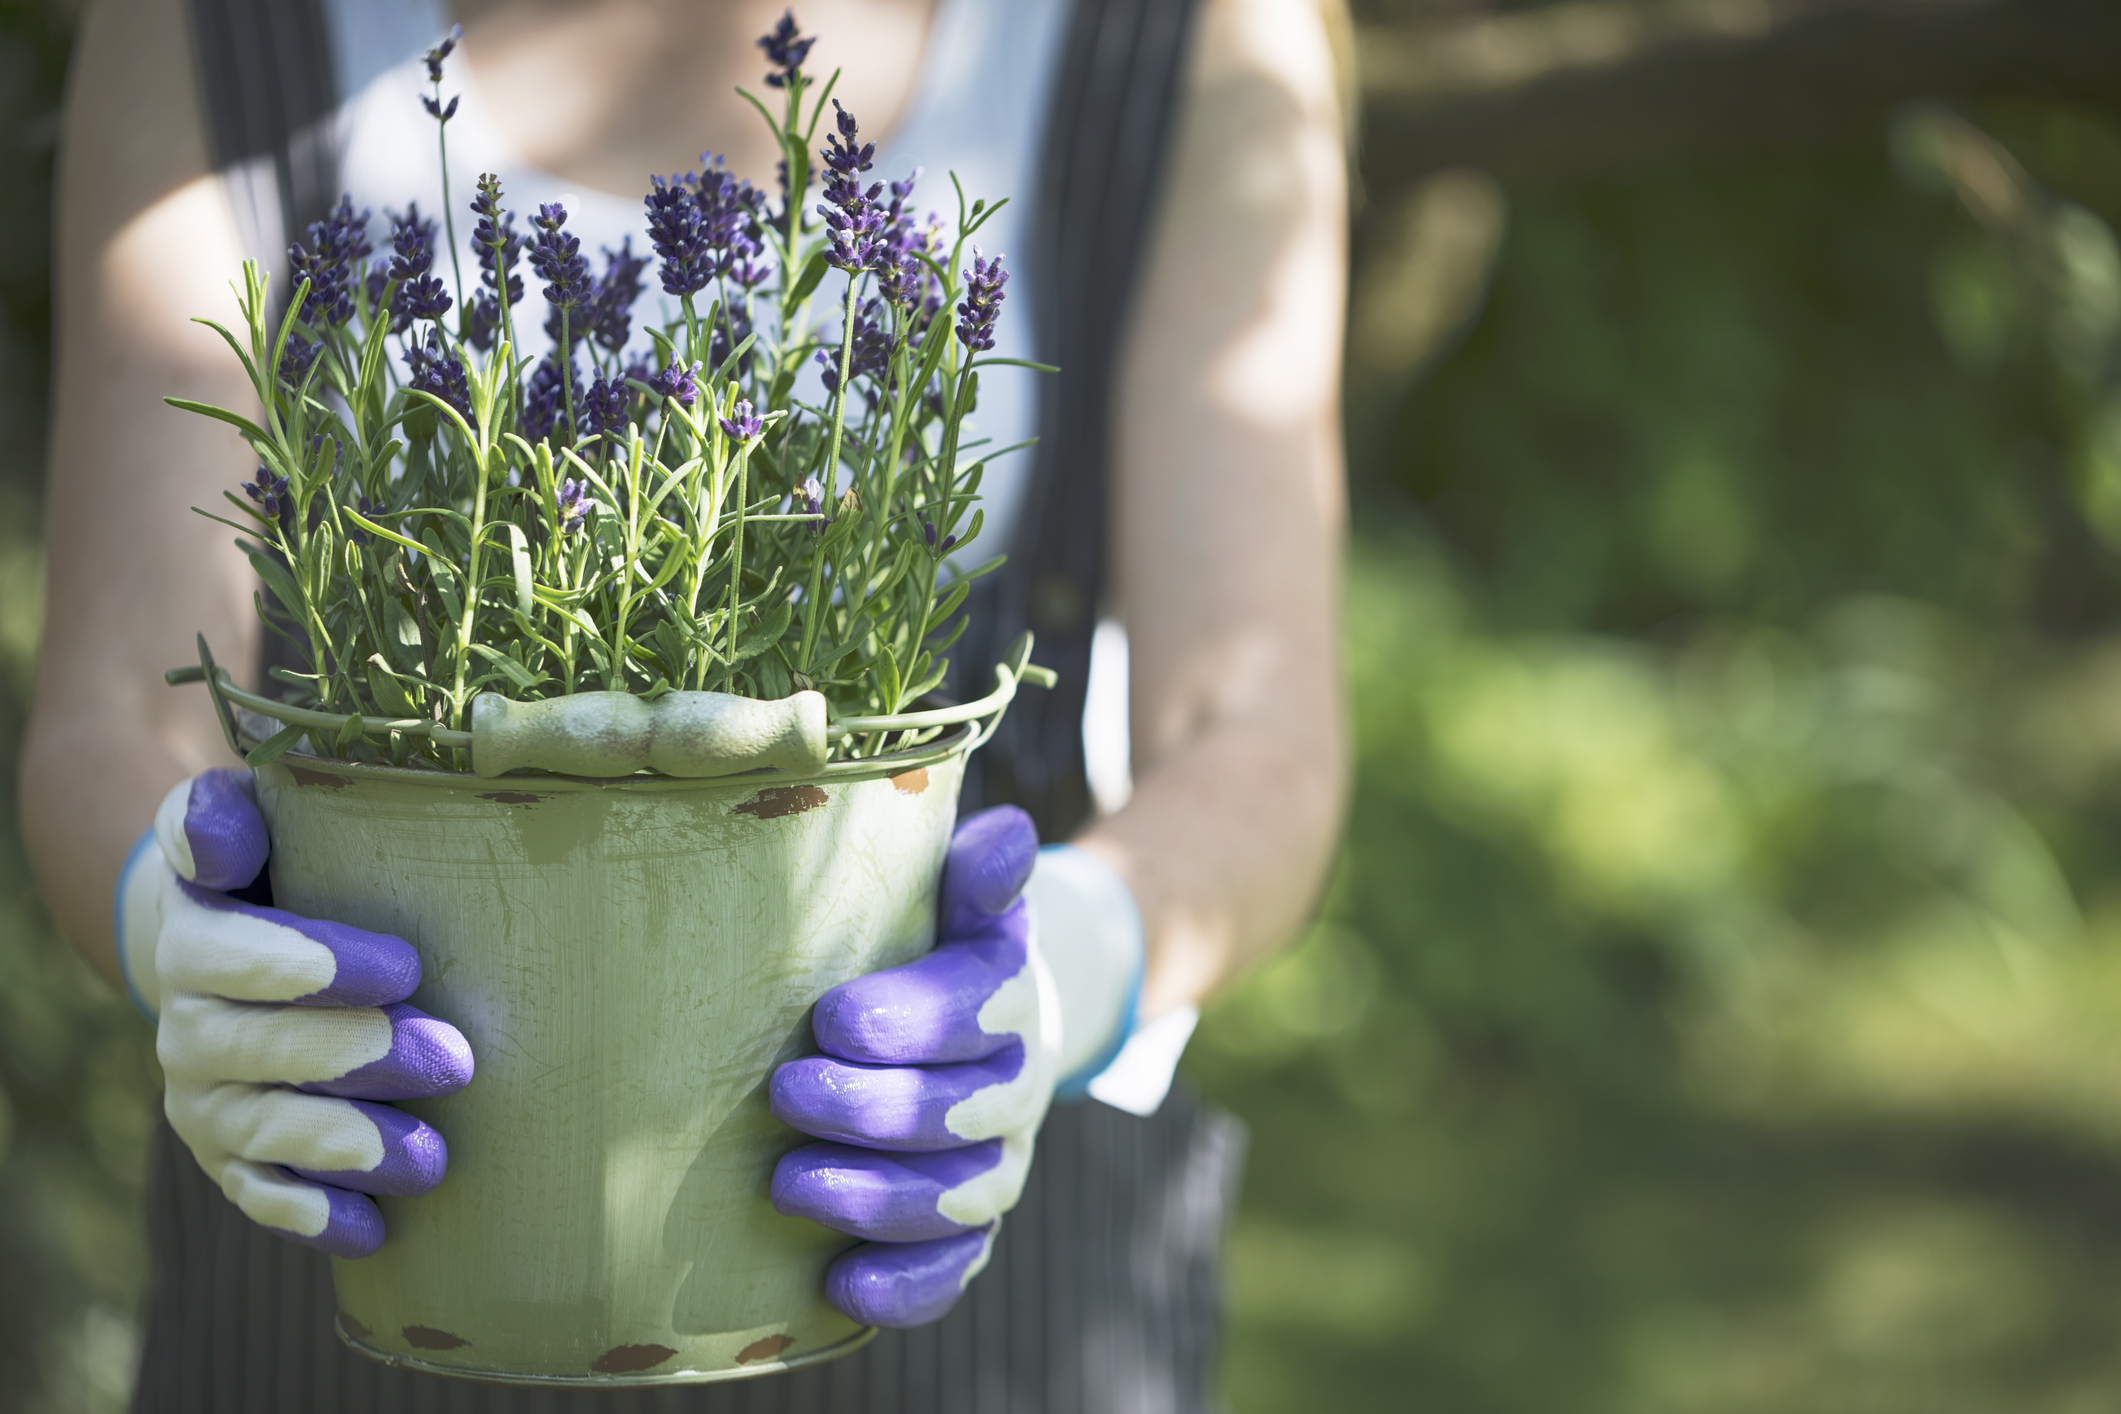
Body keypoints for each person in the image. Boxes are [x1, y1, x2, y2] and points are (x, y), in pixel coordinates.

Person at [20, 0, 1348, 1406]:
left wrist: (1071, 968)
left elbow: (1254, 728)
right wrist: (179, 930)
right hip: (363, 1197)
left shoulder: (1174, 34)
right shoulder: (217, 27)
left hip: (940, 1258)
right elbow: (115, 699)